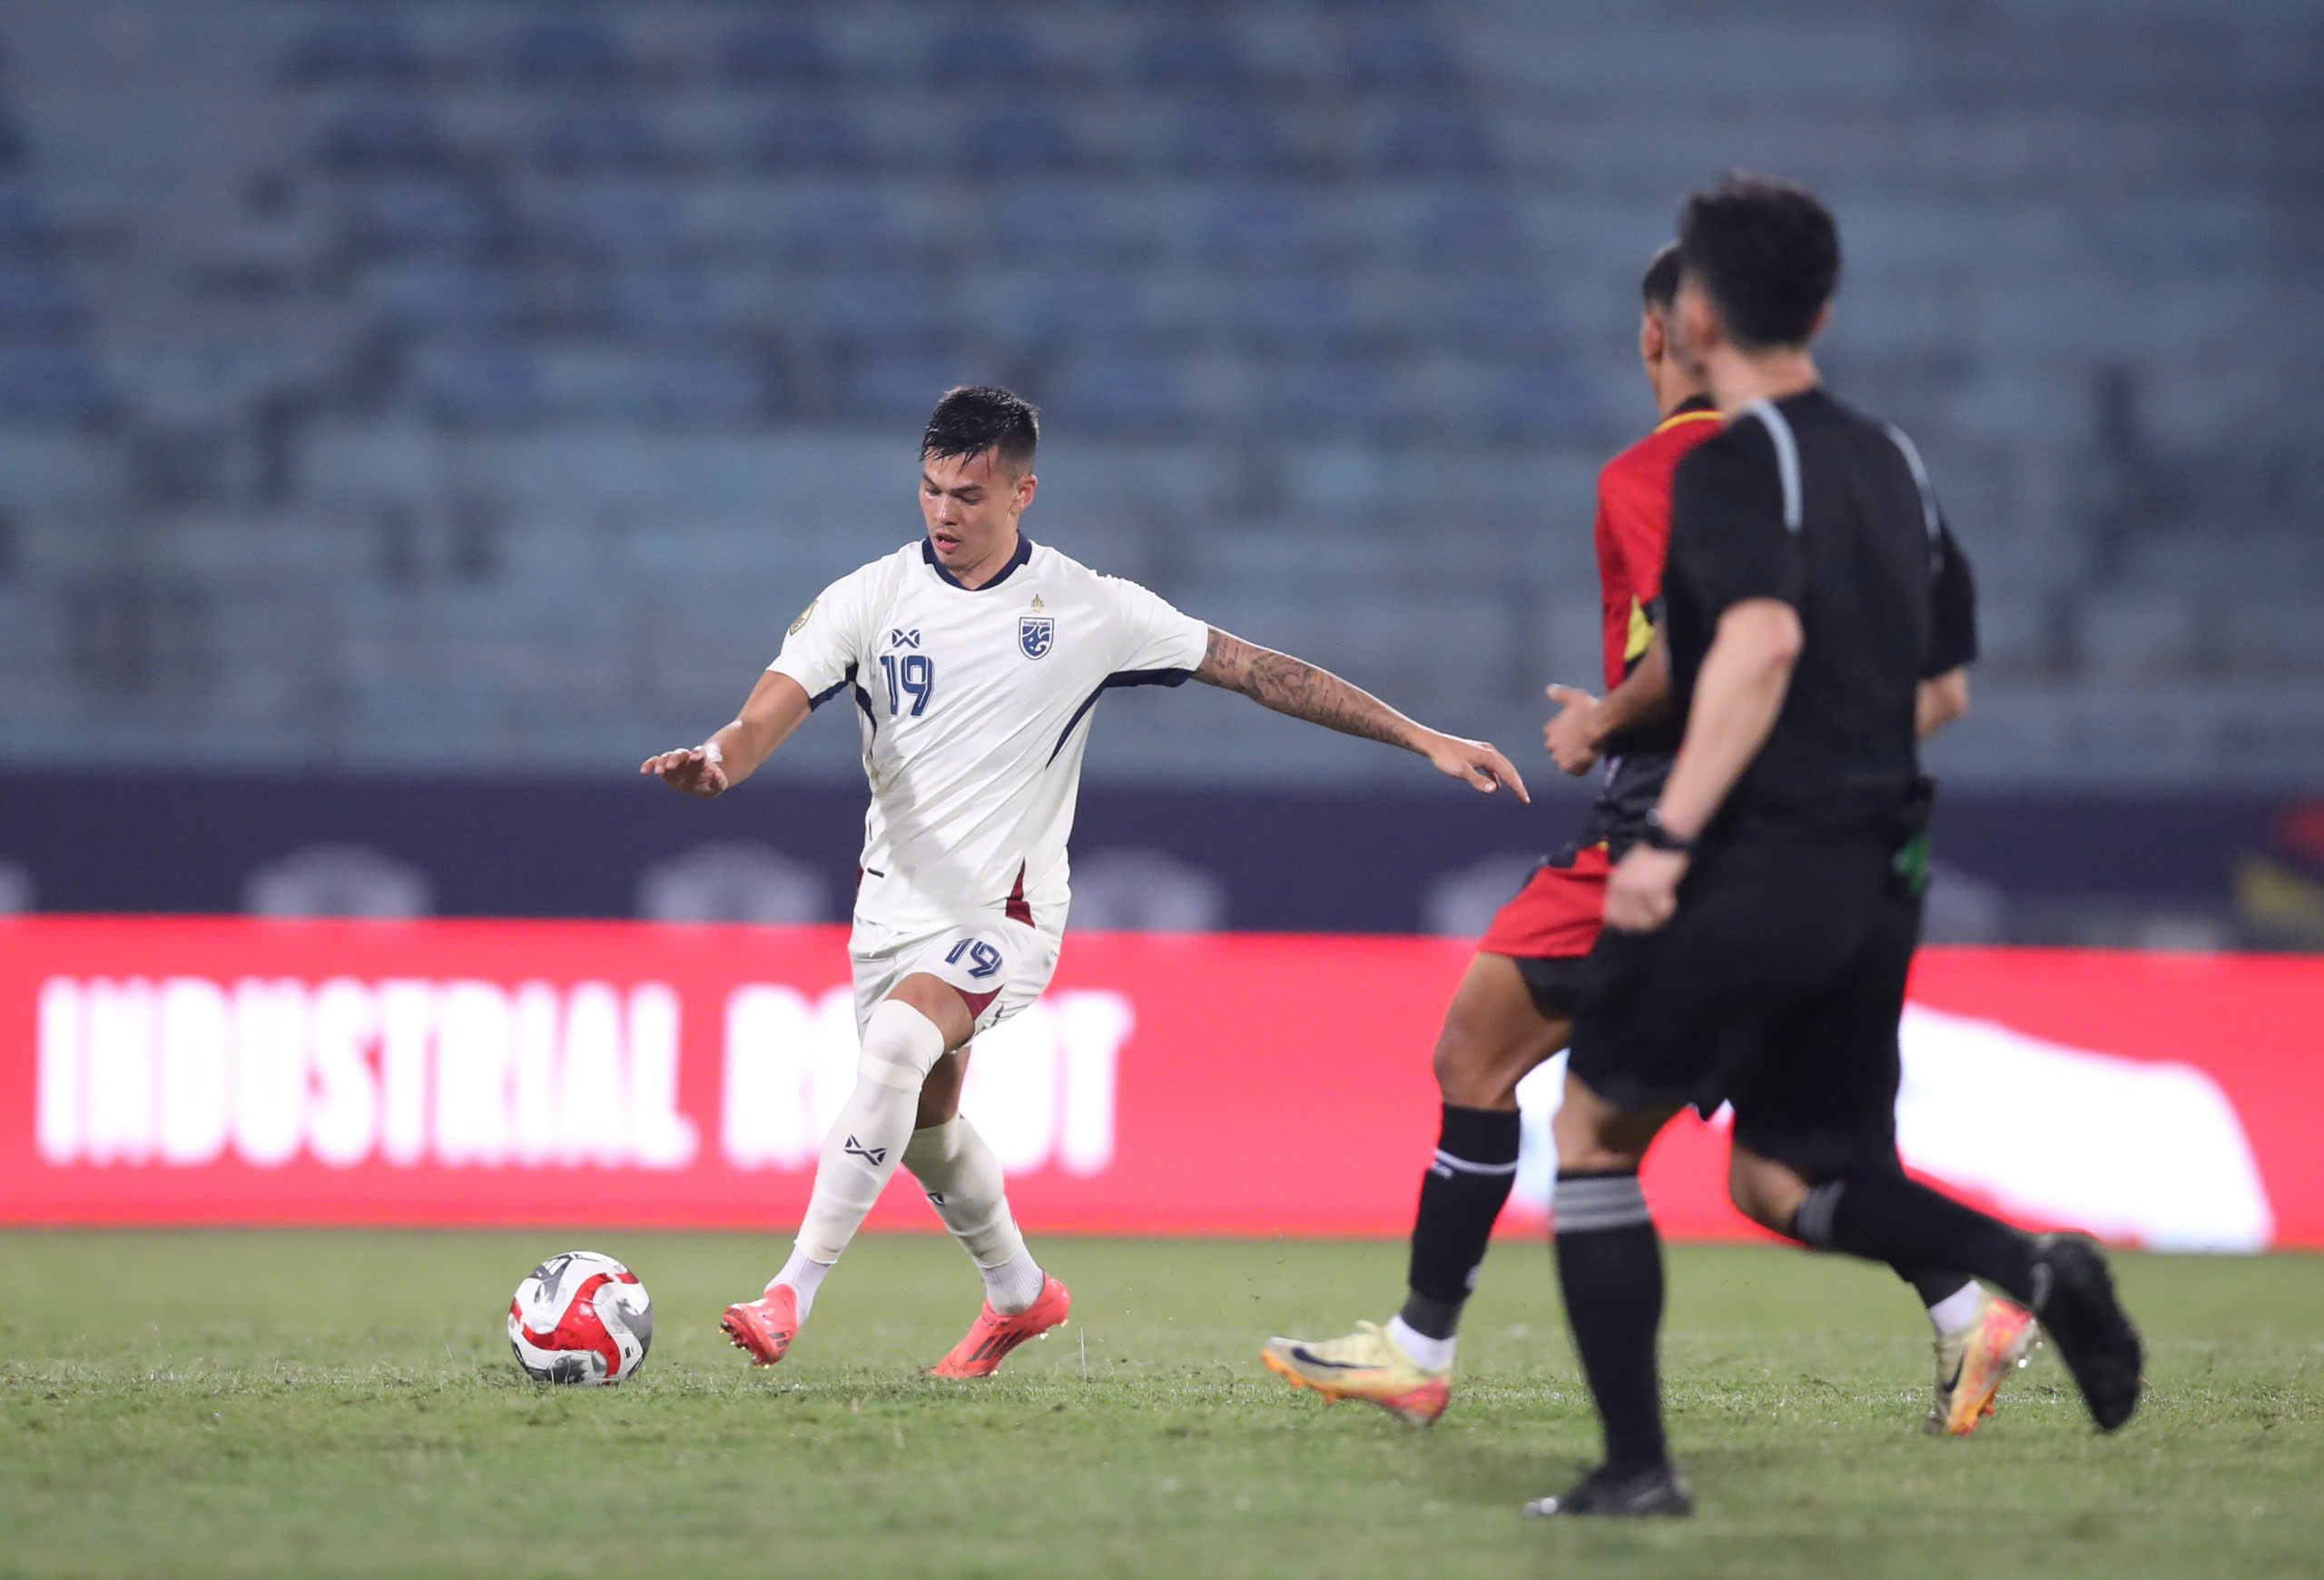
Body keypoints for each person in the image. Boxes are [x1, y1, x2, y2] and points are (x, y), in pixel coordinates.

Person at [1261, 247, 2033, 1438]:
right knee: (1783, 1178)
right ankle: (1966, 1310)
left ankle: (1432, 1356)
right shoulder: (1841, 470)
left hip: (1666, 830)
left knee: (1479, 1058)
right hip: (1809, 850)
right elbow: (1923, 680)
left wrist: (1602, 721)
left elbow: (1709, 647)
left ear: (1658, 337)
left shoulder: (1661, 470)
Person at [641, 386, 1528, 1378]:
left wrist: (1421, 737)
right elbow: (765, 713)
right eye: (931, 489)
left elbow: (1256, 668)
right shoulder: (869, 598)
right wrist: (717, 759)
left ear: (1023, 492)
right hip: (888, 916)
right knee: (925, 1125)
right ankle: (1020, 1294)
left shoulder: (1085, 608)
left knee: (896, 1044)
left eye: (970, 495)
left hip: (1006, 917)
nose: (944, 513)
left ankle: (788, 1294)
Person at [1527, 174, 2142, 1519]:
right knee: (1790, 1175)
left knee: (1589, 1132)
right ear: (1823, 306)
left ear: (1692, 314)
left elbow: (1758, 642)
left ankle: (1637, 1471)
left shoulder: (1740, 462)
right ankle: (2032, 1272)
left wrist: (1673, 832)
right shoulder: (1893, 461)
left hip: (1760, 864)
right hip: (1883, 871)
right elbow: (1943, 691)